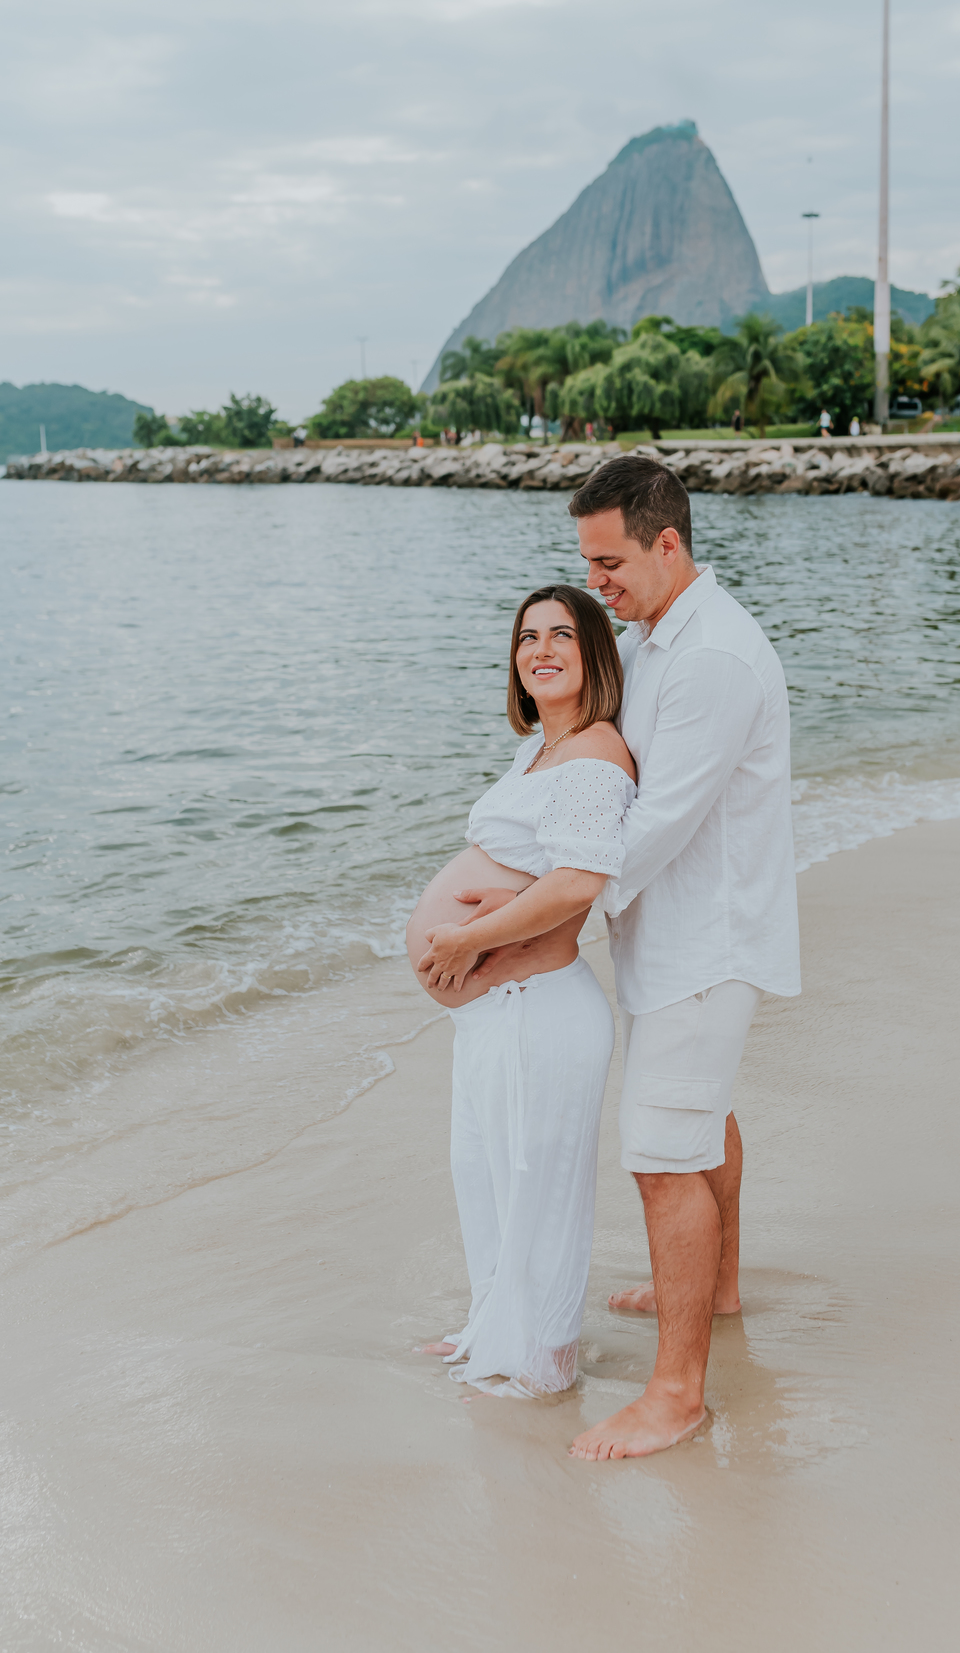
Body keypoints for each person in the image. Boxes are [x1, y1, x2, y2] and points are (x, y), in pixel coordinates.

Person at [424, 458, 802, 1459]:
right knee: (700, 1112)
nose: (595, 580)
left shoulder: (713, 657)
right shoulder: (653, 640)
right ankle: (715, 1283)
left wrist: (517, 918)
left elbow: (649, 830)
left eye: (608, 560)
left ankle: (677, 1394)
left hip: (704, 943)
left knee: (660, 1155)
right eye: (587, 560)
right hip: (677, 939)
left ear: (666, 543)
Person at [408, 585, 636, 1397]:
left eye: (561, 636)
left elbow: (580, 881)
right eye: (527, 636)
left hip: (541, 1009)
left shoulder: (597, 753)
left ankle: (543, 1360)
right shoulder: (539, 750)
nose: (540, 649)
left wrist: (468, 937)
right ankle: (493, 1328)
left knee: (536, 1181)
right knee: (484, 1170)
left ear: (595, 655)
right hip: (498, 1010)